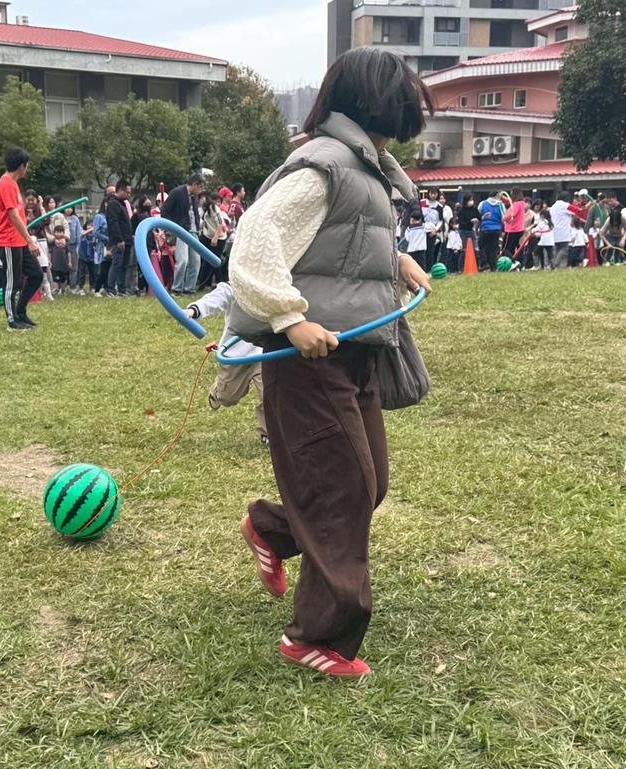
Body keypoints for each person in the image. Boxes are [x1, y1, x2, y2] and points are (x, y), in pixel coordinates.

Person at [227, 47, 435, 679]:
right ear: (373, 100)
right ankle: (316, 636)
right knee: (343, 490)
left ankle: (272, 528)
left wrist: (395, 261)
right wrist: (290, 317)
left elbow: (337, 248)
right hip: (308, 358)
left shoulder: (367, 165)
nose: (413, 102)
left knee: (368, 485)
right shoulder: (324, 164)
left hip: (353, 353)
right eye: (403, 92)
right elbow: (255, 241)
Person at [186, 283, 268, 444]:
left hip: (263, 354)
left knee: (270, 394)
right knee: (228, 397)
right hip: (235, 356)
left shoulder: (273, 287)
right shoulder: (234, 287)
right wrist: (194, 309)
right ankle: (218, 392)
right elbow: (216, 299)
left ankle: (268, 433)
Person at [0, 147, 44, 330]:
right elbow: (13, 216)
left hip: (19, 240)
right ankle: (12, 320)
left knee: (36, 274)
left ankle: (20, 311)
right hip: (9, 241)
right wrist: (30, 241)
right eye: (27, 165)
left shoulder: (14, 184)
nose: (27, 169)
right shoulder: (6, 184)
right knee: (13, 282)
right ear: (22, 166)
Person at [162, 172, 205, 294]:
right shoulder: (177, 193)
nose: (201, 190)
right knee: (183, 260)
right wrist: (171, 227)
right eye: (200, 186)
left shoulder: (194, 197)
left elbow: (194, 213)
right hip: (181, 231)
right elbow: (165, 210)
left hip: (193, 231)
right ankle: (177, 288)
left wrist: (198, 226)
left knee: (196, 262)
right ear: (195, 184)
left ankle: (189, 288)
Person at [105, 180, 133, 298]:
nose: (129, 195)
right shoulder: (113, 204)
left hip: (127, 239)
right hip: (119, 240)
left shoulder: (123, 204)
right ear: (120, 190)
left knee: (124, 266)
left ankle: (122, 289)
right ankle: (110, 289)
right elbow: (113, 223)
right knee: (117, 264)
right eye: (127, 192)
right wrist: (119, 240)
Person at [477, 191, 505, 271]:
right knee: (494, 248)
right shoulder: (501, 205)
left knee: (482, 246)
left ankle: (485, 264)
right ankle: (493, 266)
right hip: (497, 229)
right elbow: (503, 218)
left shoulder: (482, 203)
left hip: (485, 229)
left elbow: (478, 215)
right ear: (496, 195)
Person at [549, 191, 574, 270]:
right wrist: (588, 205)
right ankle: (555, 264)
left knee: (557, 248)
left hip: (555, 230)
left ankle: (553, 263)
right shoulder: (565, 205)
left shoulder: (553, 207)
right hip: (564, 230)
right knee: (564, 248)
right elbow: (577, 210)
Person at [456, 193, 479, 269]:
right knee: (464, 250)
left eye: (472, 200)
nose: (471, 201)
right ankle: (461, 267)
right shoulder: (461, 211)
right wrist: (470, 222)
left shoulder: (474, 208)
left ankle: (475, 266)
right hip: (463, 231)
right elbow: (461, 223)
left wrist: (483, 217)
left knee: (475, 249)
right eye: (470, 200)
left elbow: (479, 216)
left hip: (471, 230)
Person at [502, 189, 526, 259]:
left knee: (505, 249)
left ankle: (512, 261)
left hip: (512, 230)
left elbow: (511, 214)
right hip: (520, 229)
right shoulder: (522, 203)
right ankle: (517, 261)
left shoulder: (516, 204)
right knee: (515, 248)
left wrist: (504, 218)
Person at [49, 225, 70, 294]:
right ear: (54, 233)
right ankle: (56, 289)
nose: (59, 234)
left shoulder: (65, 242)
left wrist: (70, 262)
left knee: (63, 277)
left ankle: (63, 289)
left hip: (63, 263)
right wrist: (49, 261)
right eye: (57, 232)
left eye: (60, 232)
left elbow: (68, 253)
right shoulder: (52, 243)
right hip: (55, 263)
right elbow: (50, 252)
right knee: (55, 277)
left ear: (63, 233)